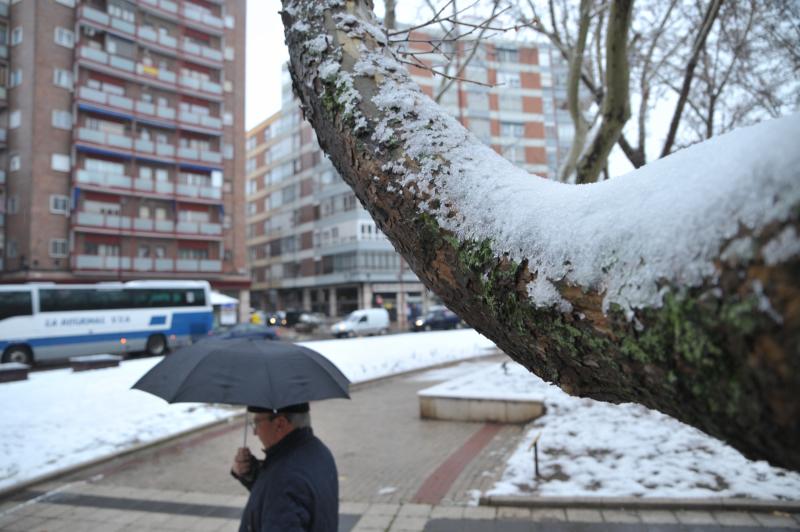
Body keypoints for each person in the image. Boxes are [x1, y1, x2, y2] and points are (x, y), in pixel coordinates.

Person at [231, 403, 338, 532]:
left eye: (257, 422)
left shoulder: (284, 479)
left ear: (279, 424)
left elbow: (282, 491)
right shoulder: (317, 450)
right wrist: (251, 472)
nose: (254, 432)